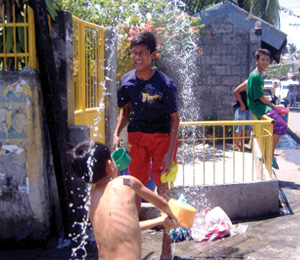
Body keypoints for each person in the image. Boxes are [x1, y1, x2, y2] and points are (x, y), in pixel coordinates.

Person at [113, 31, 179, 260]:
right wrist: (116, 133)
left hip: (162, 139)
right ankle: (131, 243)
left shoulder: (165, 84)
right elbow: (125, 110)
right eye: (134, 53)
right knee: (136, 188)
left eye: (142, 53)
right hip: (137, 138)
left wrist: (170, 152)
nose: (137, 57)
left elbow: (175, 118)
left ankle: (167, 243)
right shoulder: (127, 81)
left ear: (152, 55)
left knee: (163, 189)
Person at [69, 141, 180, 260]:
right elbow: (162, 203)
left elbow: (129, 228)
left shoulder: (90, 199)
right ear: (109, 164)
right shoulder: (126, 182)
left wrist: (161, 220)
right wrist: (173, 217)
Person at [246, 48, 287, 170]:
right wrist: (273, 106)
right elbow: (259, 97)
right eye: (262, 59)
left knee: (273, 128)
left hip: (259, 106)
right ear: (256, 61)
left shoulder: (258, 75)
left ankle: (266, 154)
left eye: (267, 60)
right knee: (281, 126)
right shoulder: (255, 76)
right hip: (258, 107)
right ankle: (269, 155)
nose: (265, 62)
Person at [232, 80, 252, 151]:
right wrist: (242, 104)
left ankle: (242, 145)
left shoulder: (254, 84)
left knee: (246, 128)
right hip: (240, 107)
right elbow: (236, 91)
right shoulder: (247, 82)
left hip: (247, 107)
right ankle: (236, 145)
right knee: (240, 128)